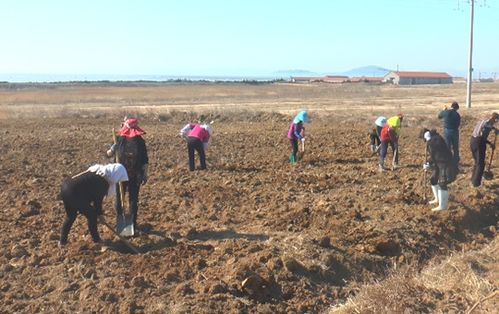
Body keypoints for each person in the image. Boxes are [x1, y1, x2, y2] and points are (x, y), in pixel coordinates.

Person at [59, 163, 128, 247]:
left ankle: (62, 242)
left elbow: (94, 196)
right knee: (92, 215)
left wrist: (99, 213)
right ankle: (96, 240)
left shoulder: (97, 172)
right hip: (74, 193)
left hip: (65, 188)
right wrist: (100, 214)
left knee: (71, 216)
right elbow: (97, 201)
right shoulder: (103, 182)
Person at [107, 117, 149, 230]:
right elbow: (108, 154)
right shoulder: (119, 140)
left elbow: (145, 160)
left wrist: (145, 174)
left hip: (135, 175)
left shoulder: (140, 142)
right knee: (119, 199)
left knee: (133, 200)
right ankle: (120, 221)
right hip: (120, 175)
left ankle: (132, 224)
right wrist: (112, 149)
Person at [420, 128, 457, 212]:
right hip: (438, 163)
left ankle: (442, 205)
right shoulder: (433, 140)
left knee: (442, 183)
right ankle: (437, 199)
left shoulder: (436, 140)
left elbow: (437, 152)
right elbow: (434, 156)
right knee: (433, 180)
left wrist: (428, 164)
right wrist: (428, 164)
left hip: (445, 163)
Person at [470, 112, 498, 187]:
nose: (495, 123)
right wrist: (490, 143)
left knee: (477, 162)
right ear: (495, 119)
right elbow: (483, 137)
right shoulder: (489, 123)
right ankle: (476, 183)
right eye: (496, 121)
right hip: (479, 143)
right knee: (481, 164)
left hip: (472, 141)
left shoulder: (483, 120)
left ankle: (473, 180)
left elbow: (487, 126)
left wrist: (494, 129)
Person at [438, 101, 461, 166]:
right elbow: (458, 124)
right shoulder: (457, 115)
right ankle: (456, 160)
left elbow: (439, 116)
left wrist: (443, 110)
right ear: (457, 108)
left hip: (447, 131)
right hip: (455, 131)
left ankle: (448, 159)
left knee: (447, 146)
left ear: (451, 106)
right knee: (455, 147)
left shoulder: (446, 112)